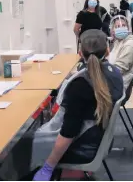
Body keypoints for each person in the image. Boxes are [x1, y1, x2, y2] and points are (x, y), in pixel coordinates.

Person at [32, 29, 124, 181]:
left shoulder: (80, 85)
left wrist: (49, 166)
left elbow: (68, 133)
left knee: (19, 144)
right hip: (99, 139)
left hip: (83, 148)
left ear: (80, 53)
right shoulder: (114, 73)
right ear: (107, 51)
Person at [108, 15, 133, 90]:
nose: (121, 28)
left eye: (123, 25)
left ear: (128, 28)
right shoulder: (118, 42)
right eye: (117, 26)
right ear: (112, 30)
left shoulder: (130, 45)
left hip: (118, 86)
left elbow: (118, 70)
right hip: (114, 82)